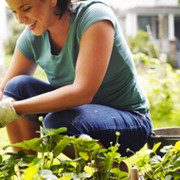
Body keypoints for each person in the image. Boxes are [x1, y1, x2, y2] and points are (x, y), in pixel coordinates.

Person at [0, 0, 152, 161]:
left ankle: (114, 173)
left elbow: (82, 93)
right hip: (77, 115)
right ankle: (26, 173)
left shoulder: (94, 17)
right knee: (17, 87)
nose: (20, 19)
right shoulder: (31, 37)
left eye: (26, 8)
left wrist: (15, 109)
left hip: (129, 120)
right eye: (14, 12)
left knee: (57, 124)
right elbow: (5, 93)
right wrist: (9, 105)